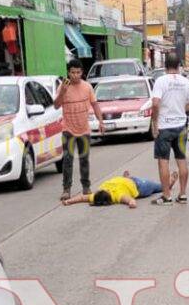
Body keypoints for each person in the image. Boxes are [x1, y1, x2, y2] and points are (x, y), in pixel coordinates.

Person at [150, 53, 189, 203]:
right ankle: (183, 195)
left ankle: (167, 196)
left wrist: (155, 124)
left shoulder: (160, 81)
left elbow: (155, 104)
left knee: (163, 161)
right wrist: (182, 109)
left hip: (164, 127)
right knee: (181, 160)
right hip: (181, 126)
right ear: (178, 65)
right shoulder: (185, 81)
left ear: (165, 66)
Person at [55, 60, 103, 200]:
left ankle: (86, 187)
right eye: (72, 72)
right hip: (68, 130)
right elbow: (56, 105)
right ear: (68, 73)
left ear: (82, 72)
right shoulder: (63, 86)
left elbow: (95, 104)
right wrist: (62, 92)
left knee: (84, 159)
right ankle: (66, 189)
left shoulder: (87, 87)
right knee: (68, 159)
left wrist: (101, 121)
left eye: (78, 72)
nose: (75, 75)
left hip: (84, 131)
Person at [62, 169, 171, 208]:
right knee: (159, 187)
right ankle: (169, 184)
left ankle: (125, 178)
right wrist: (132, 204)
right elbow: (130, 200)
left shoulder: (96, 196)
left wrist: (69, 201)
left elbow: (81, 198)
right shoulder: (119, 196)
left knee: (123, 181)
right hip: (139, 186)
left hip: (126, 181)